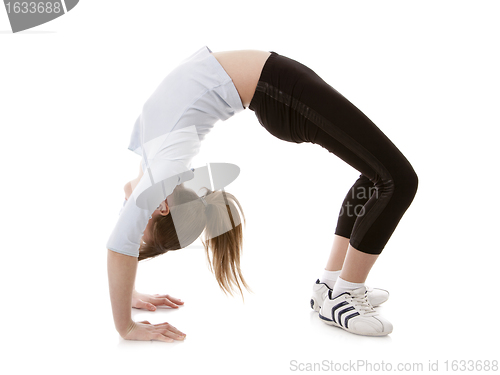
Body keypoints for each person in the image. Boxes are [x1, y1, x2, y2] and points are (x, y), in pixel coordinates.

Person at [107, 46, 418, 342]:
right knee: (398, 181)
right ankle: (345, 296)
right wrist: (126, 327)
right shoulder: (164, 171)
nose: (131, 219)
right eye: (140, 229)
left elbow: (127, 208)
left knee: (375, 173)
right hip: (280, 91)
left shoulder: (153, 165)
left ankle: (331, 284)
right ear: (161, 208)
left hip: (278, 85)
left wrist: (130, 292)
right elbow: (121, 244)